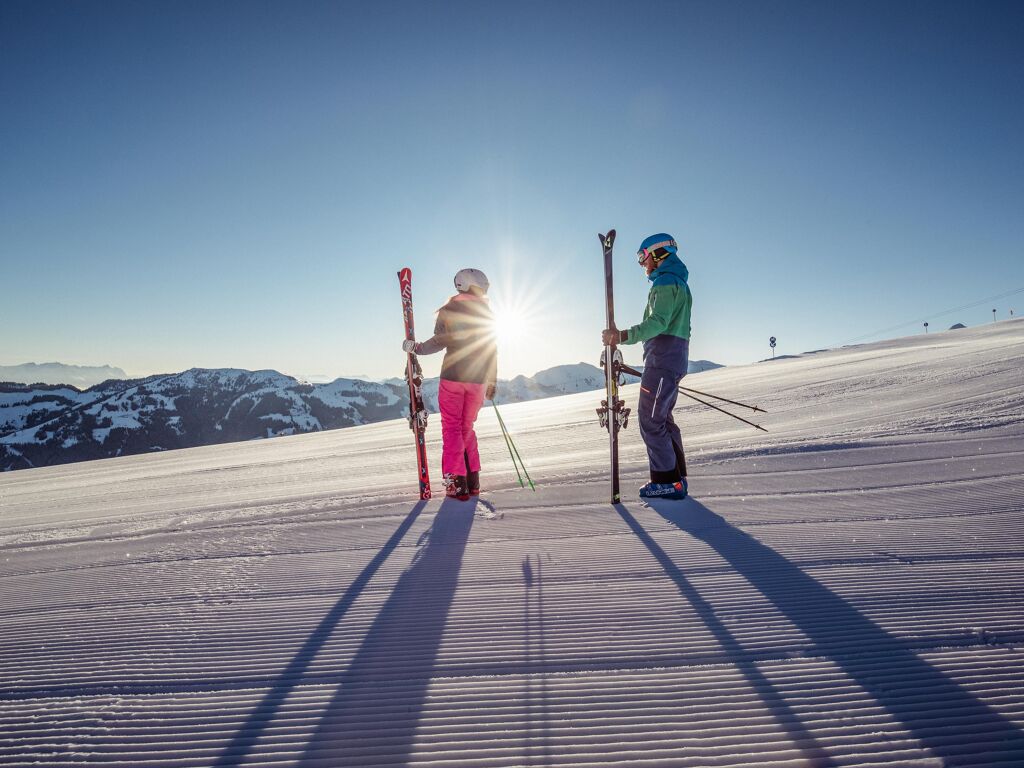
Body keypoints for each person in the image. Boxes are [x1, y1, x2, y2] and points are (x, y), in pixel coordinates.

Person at [602, 233, 692, 501]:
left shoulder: (665, 282)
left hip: (663, 361)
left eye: (643, 257)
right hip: (670, 359)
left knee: (650, 421)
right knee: (663, 419)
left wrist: (623, 336)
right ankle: (677, 477)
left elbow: (659, 322)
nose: (643, 264)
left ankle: (667, 482)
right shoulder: (679, 283)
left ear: (658, 253)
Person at [402, 268, 498, 500]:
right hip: (478, 379)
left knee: (452, 428)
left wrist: (416, 348)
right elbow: (491, 348)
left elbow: (439, 341)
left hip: (454, 377)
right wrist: (492, 380)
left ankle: (456, 482)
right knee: (467, 429)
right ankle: (471, 481)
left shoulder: (450, 310)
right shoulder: (487, 313)